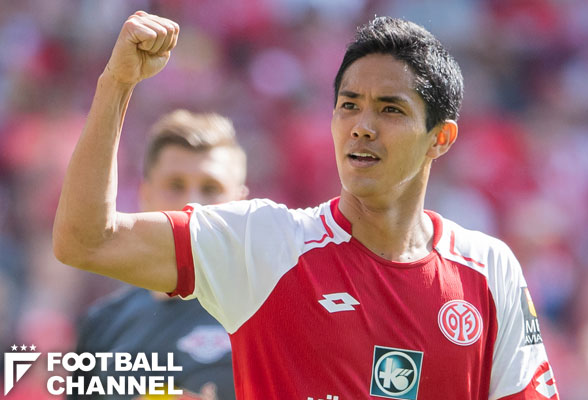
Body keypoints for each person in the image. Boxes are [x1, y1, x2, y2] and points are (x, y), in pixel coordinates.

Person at [53, 11, 560, 399]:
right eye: (349, 105)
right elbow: (85, 241)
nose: (362, 126)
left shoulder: (489, 269)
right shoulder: (265, 244)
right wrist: (116, 84)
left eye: (390, 109)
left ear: (440, 138)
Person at [68, 110, 245, 400]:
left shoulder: (271, 313)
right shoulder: (103, 321)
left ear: (240, 203)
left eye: (211, 188)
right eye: (175, 185)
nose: (192, 203)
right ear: (145, 194)